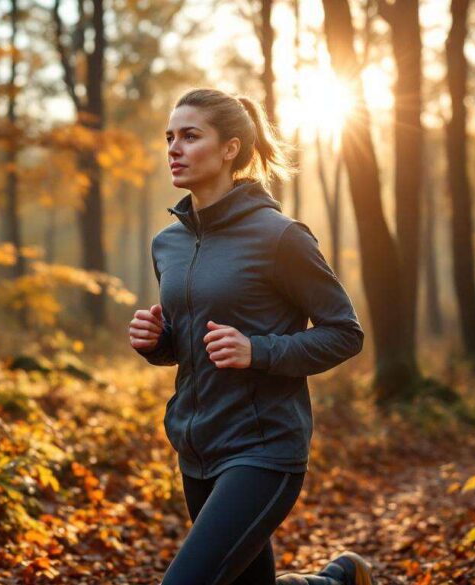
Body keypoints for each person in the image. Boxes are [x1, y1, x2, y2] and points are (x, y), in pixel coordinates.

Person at [128, 88, 374, 585]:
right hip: (197, 446)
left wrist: (258, 350)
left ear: (230, 149)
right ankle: (336, 581)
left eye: (190, 136)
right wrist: (159, 341)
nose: (174, 148)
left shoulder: (279, 236)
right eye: (170, 137)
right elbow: (191, 344)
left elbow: (344, 333)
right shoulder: (168, 243)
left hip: (263, 449)